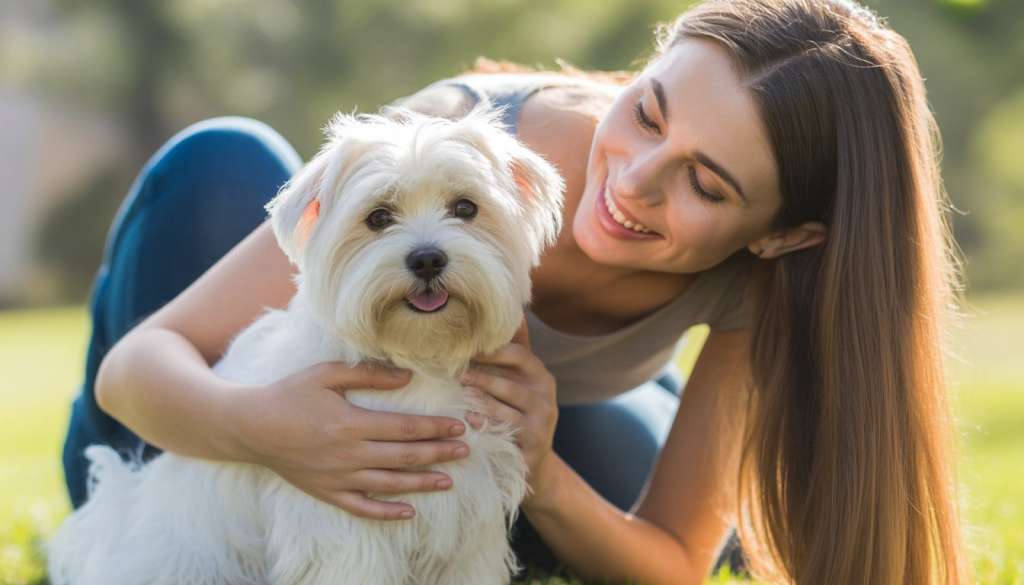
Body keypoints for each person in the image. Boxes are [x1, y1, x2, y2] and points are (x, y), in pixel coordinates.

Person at [61, 0, 969, 583]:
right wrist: (273, 429)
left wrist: (538, 471)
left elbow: (670, 561)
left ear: (782, 234)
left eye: (707, 183)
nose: (634, 182)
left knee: (604, 464)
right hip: (181, 420)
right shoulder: (464, 135)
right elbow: (135, 368)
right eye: (649, 108)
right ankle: (115, 505)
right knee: (231, 160)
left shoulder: (765, 279)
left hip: (491, 421)